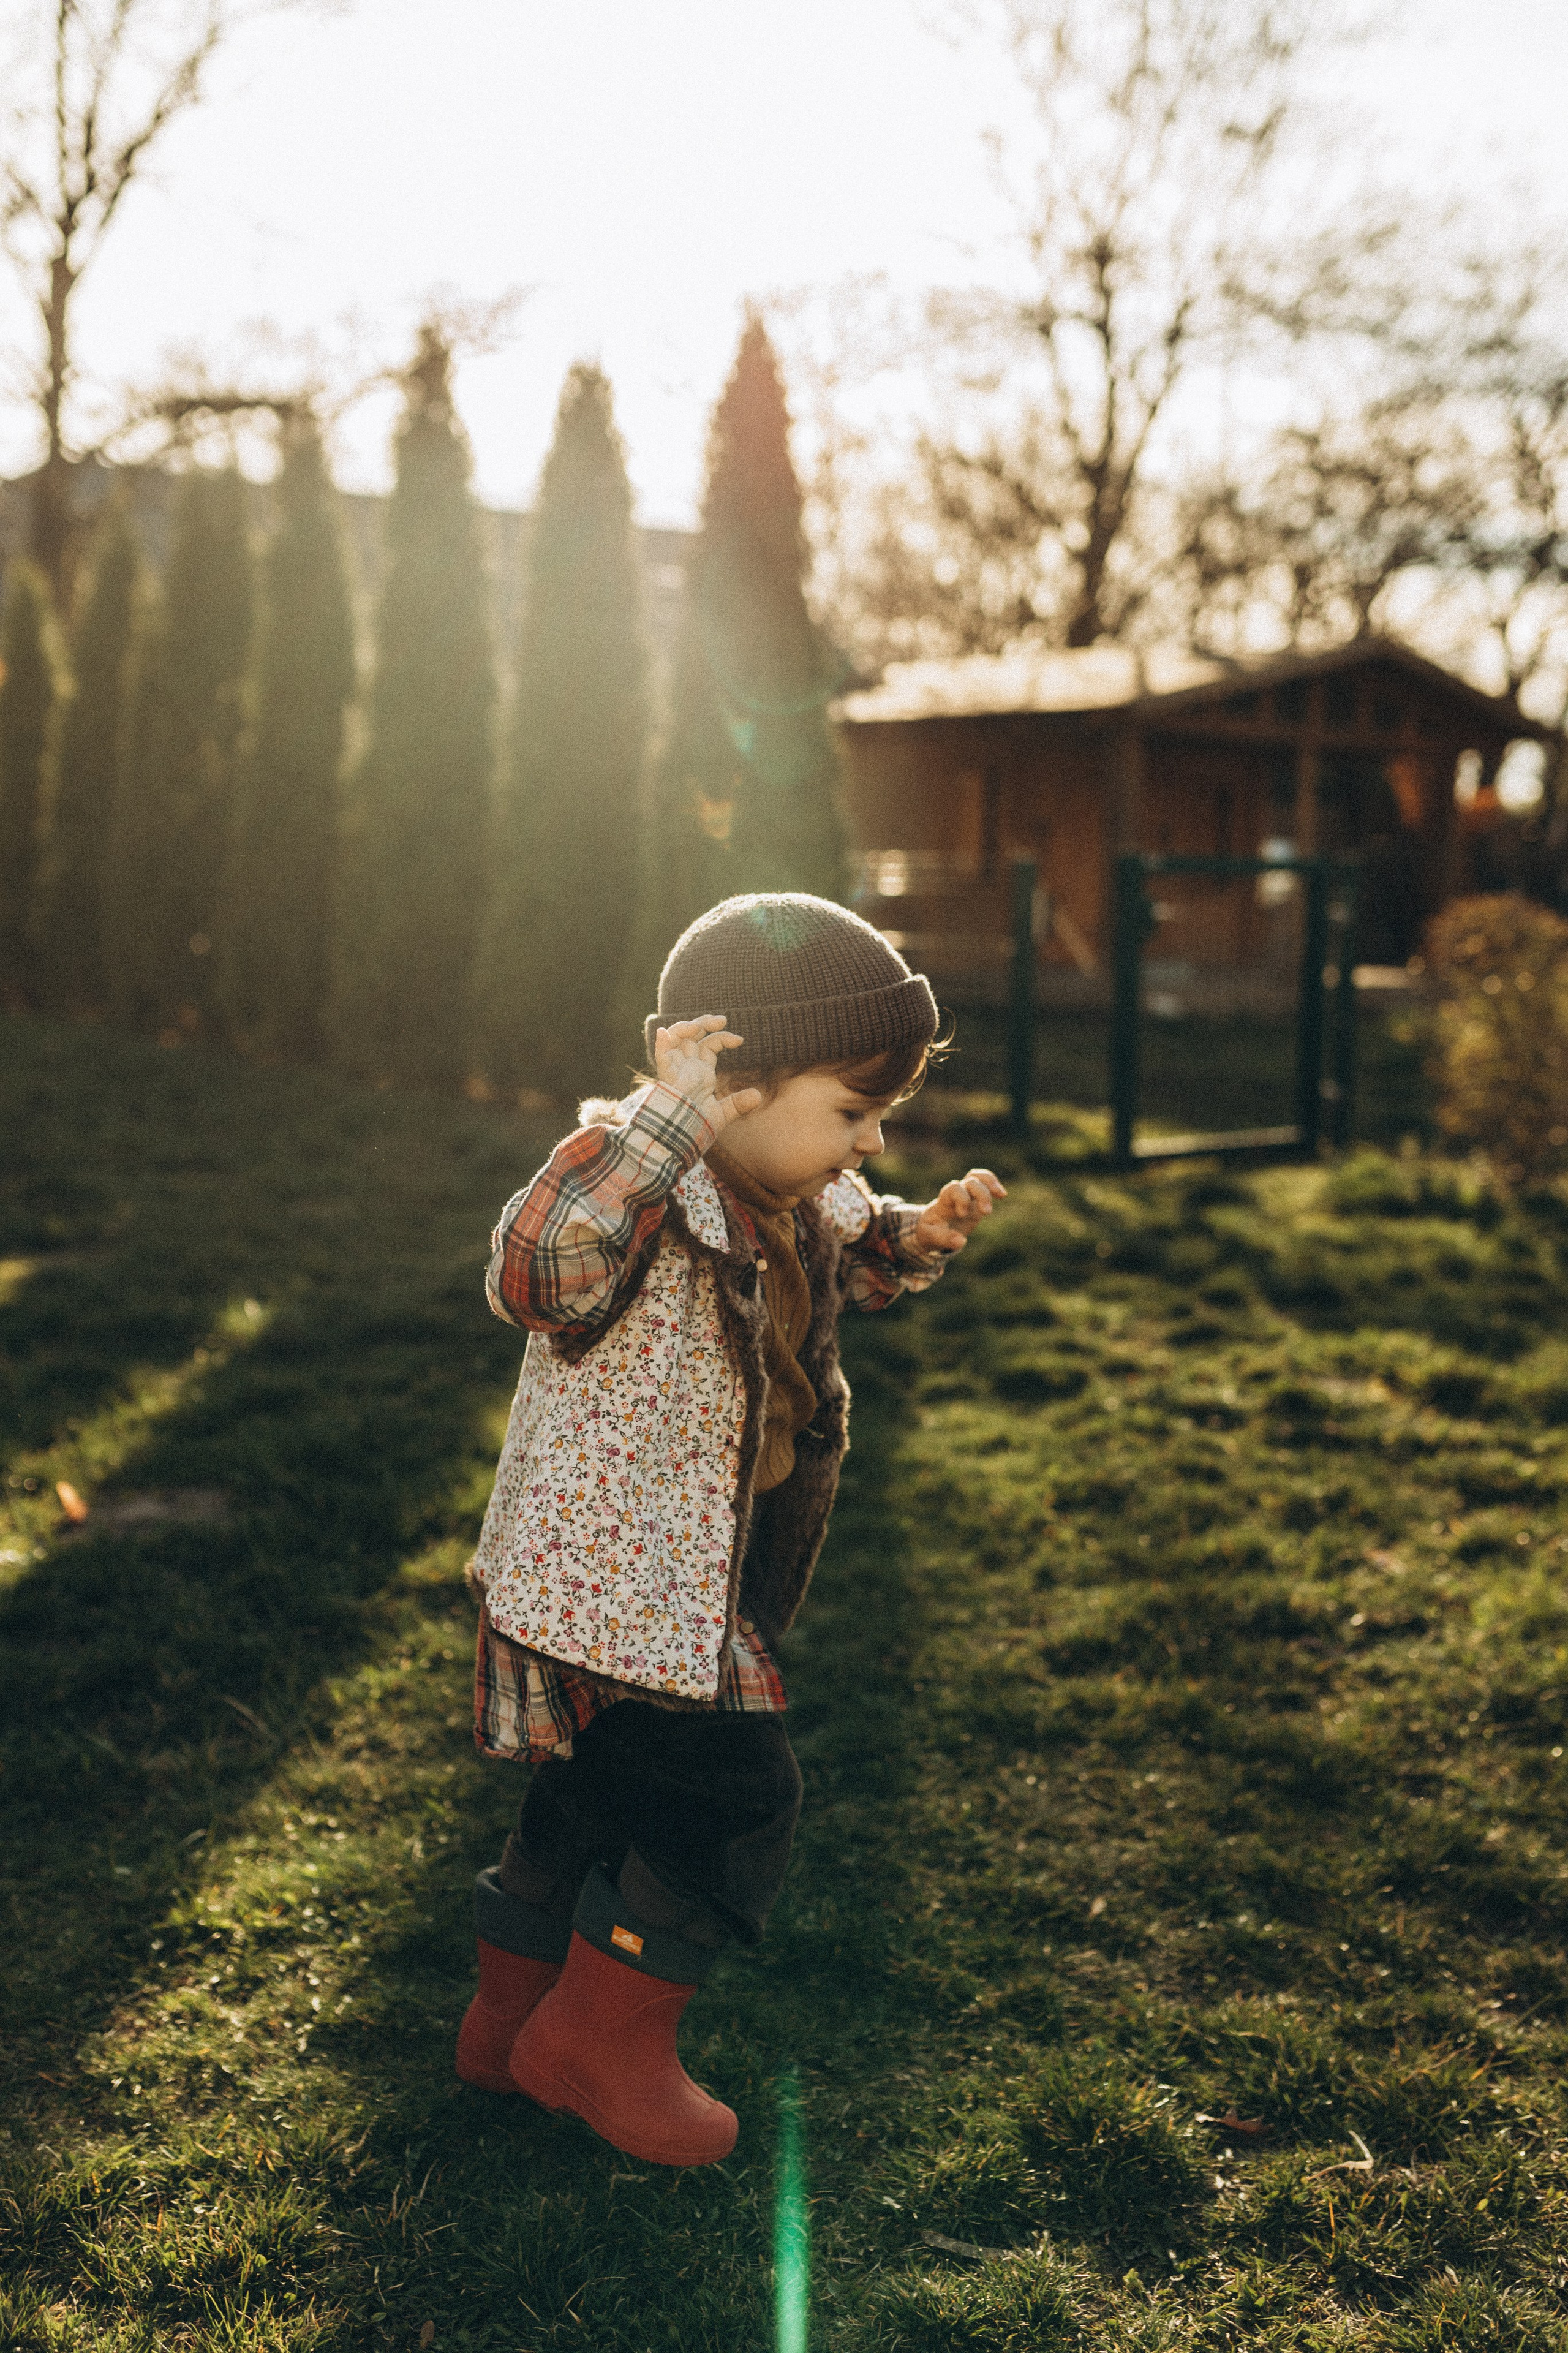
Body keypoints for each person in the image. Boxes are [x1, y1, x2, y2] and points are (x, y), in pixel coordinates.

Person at [456, 893, 1005, 2165]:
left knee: (591, 1792)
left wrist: (913, 1234)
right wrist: (667, 1118)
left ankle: (508, 2023)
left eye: (879, 1124)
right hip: (623, 1587)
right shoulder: (635, 1194)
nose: (862, 1145)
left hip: (677, 1584)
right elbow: (530, 1270)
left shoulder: (787, 1196)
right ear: (737, 1084)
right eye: (850, 1114)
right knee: (735, 1798)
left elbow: (833, 1257)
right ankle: (596, 2044)